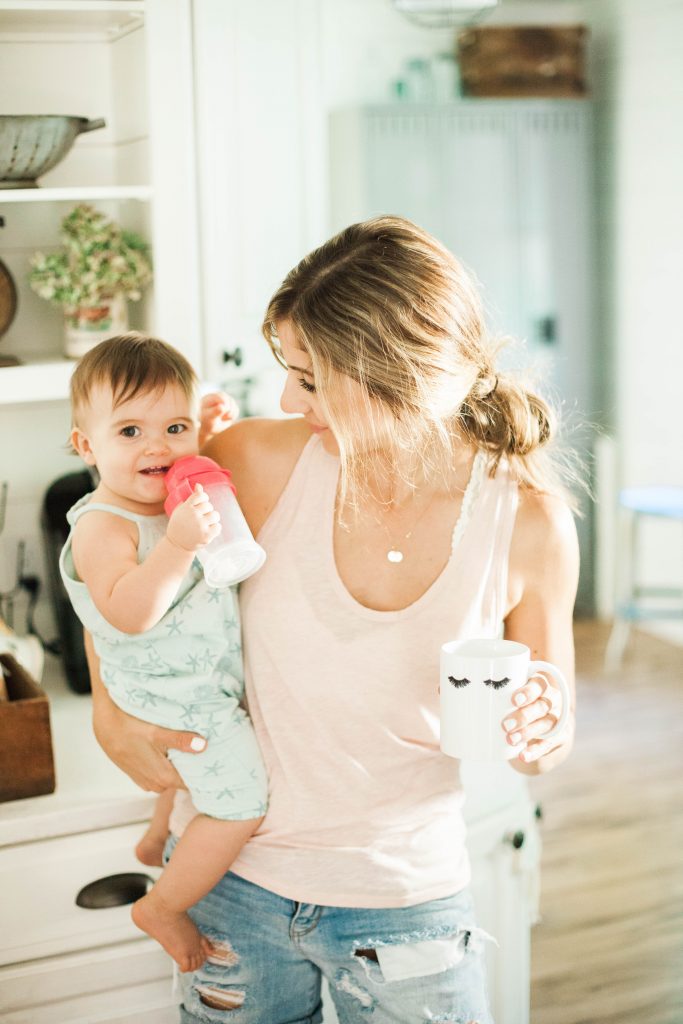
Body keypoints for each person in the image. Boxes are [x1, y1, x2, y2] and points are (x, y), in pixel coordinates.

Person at [87, 217, 580, 1023]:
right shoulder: (254, 461)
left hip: (405, 905)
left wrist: (542, 722)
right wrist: (112, 713)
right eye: (290, 371)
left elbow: (544, 740)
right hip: (228, 884)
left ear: (396, 376)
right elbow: (112, 547)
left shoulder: (526, 523)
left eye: (311, 379)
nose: (287, 399)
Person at [59, 333, 268, 974]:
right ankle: (163, 906)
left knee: (187, 767)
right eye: (129, 431)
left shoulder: (169, 498)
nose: (157, 447)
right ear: (86, 447)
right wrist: (177, 547)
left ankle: (158, 835)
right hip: (166, 687)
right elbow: (127, 611)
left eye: (173, 426)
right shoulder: (104, 524)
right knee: (241, 800)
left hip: (189, 680)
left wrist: (201, 429)